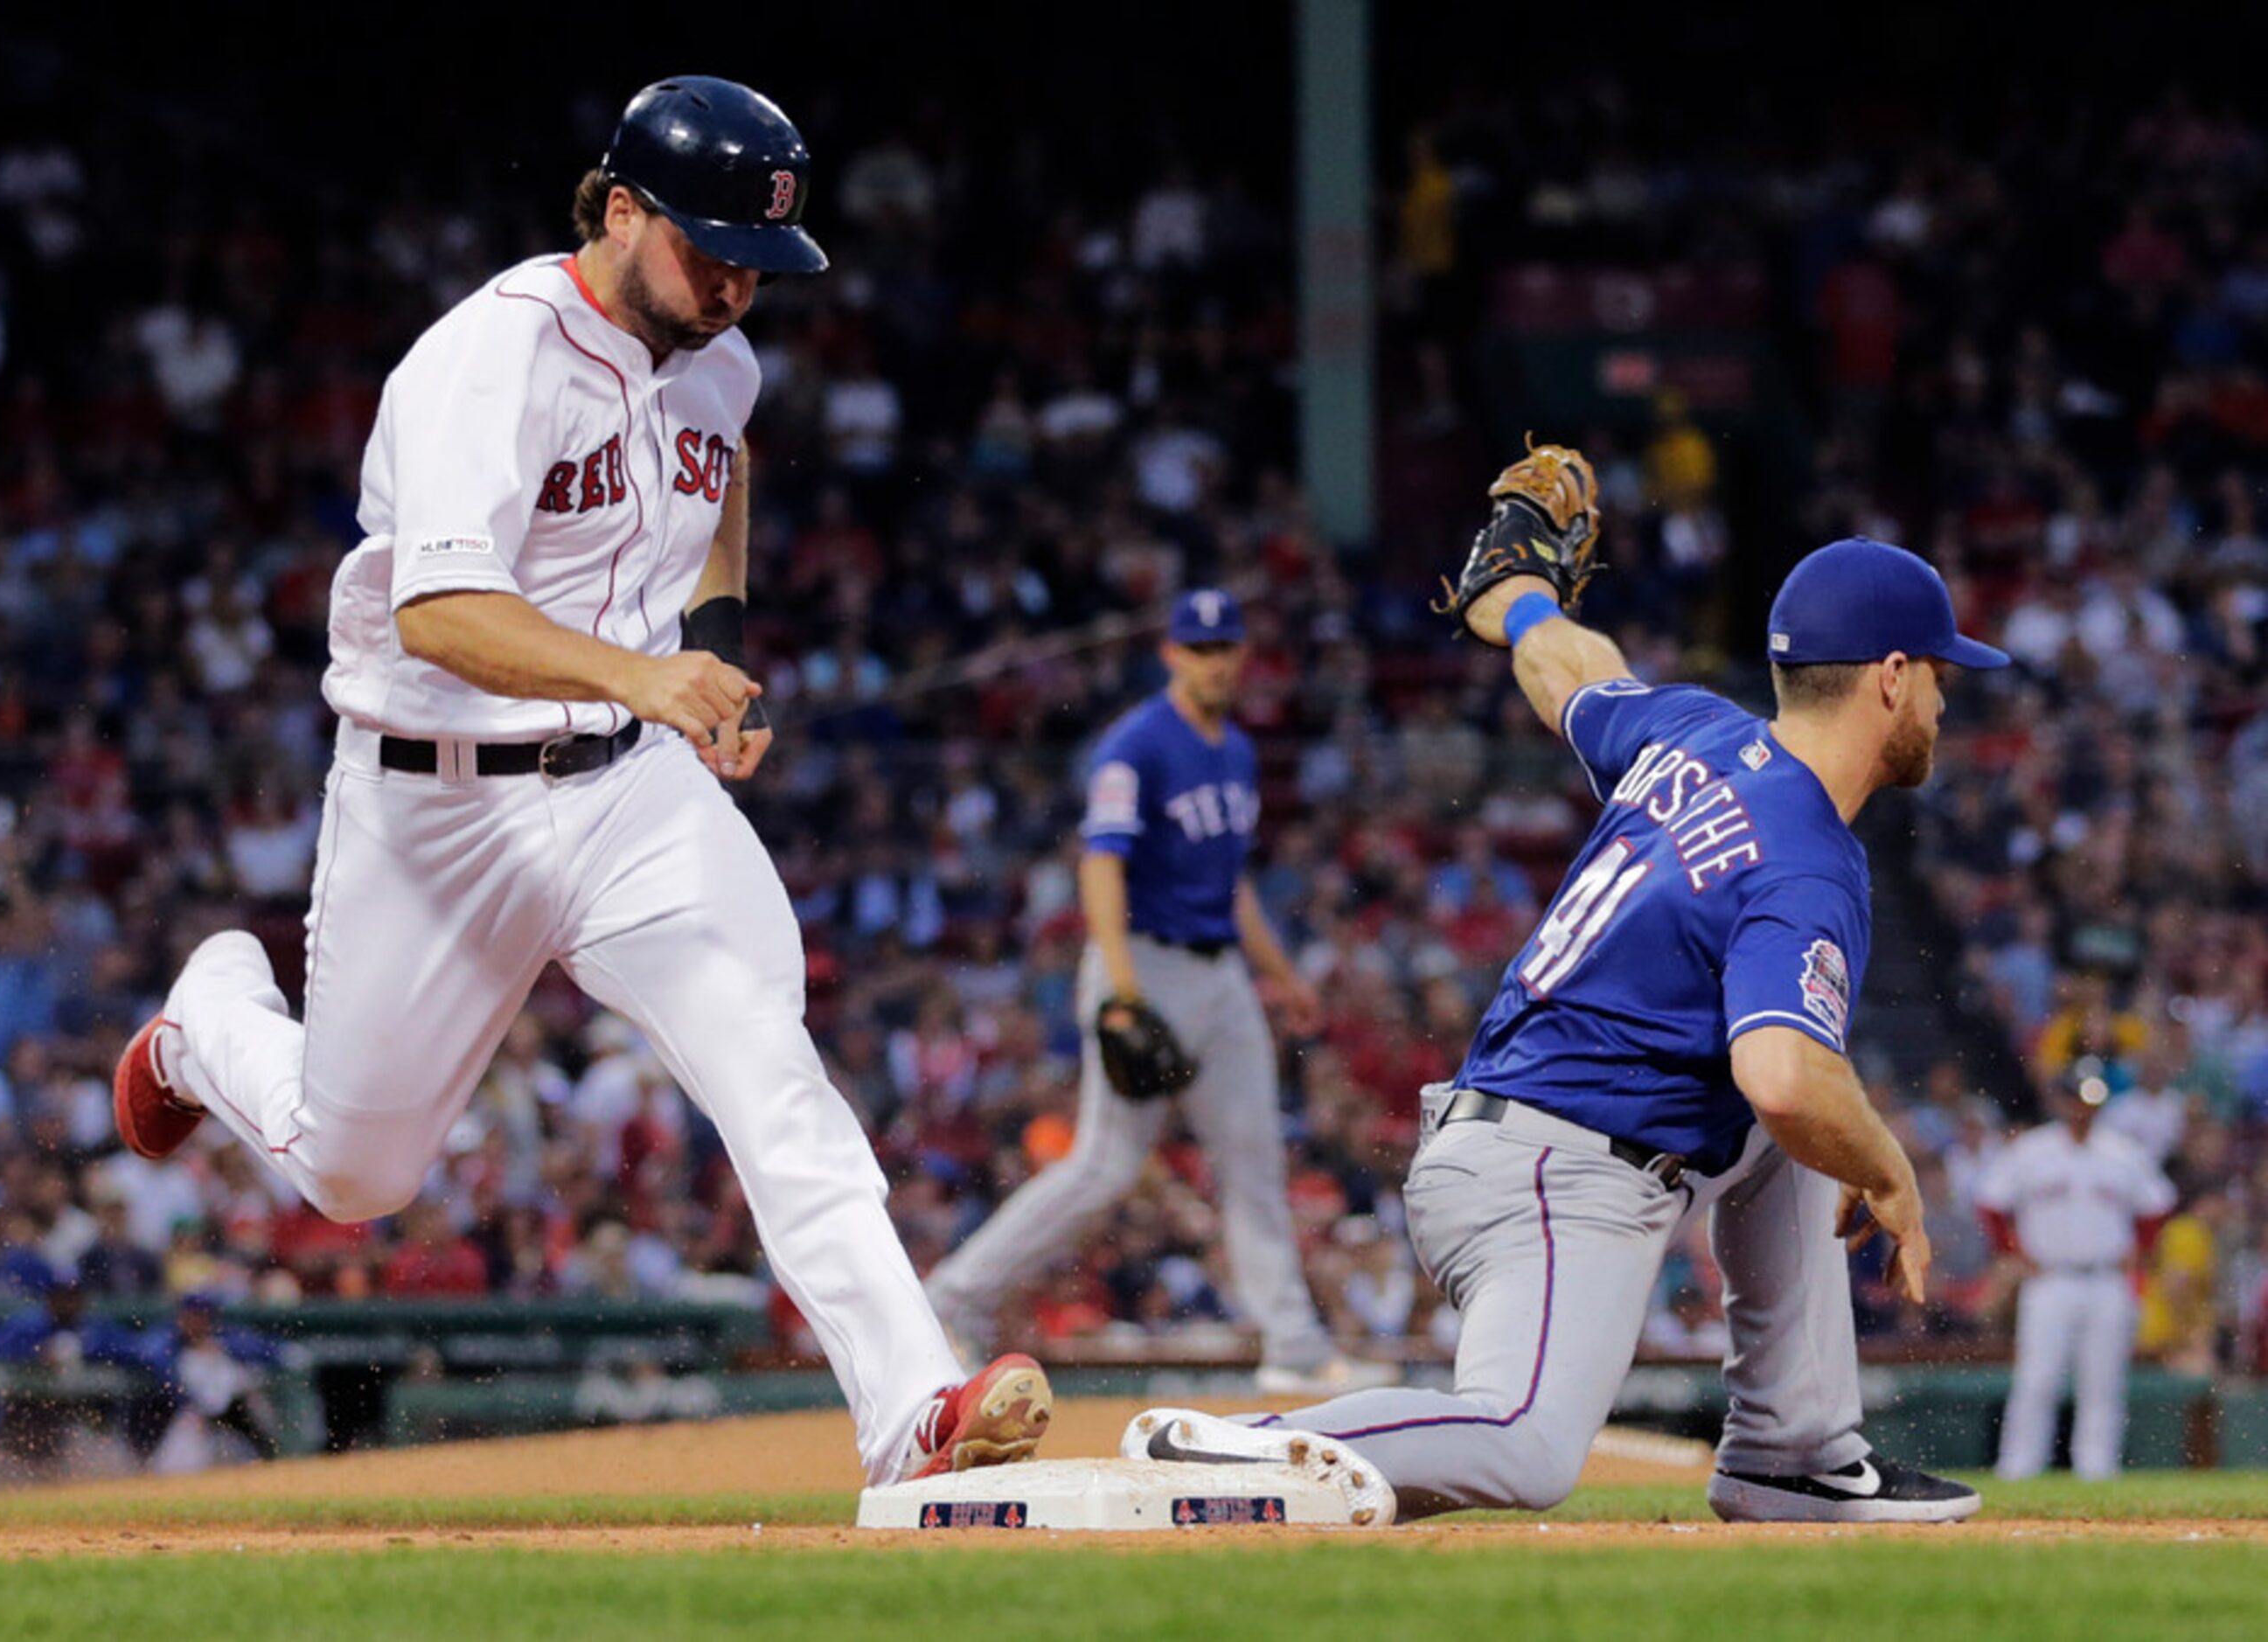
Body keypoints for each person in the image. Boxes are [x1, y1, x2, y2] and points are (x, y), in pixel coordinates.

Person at [108, 75, 1048, 1488]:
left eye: (759, 262)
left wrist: (711, 649)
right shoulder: (489, 359)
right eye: (710, 248)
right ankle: (208, 1020)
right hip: (437, 803)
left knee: (767, 1064)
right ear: (621, 208)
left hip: (628, 796)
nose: (736, 284)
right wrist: (644, 675)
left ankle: (911, 1410)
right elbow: (442, 612)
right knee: (355, 1174)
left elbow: (716, 475)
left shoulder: (721, 360)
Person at [1129, 502, 2000, 1523]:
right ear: (1890, 677)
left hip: (1531, 1139)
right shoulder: (1808, 862)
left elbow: (1566, 670)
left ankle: (1792, 1452)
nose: (1945, 700)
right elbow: (1779, 1074)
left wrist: (1525, 601)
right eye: (1939, 675)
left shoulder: (1694, 730)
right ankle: (1241, 1450)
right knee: (1526, 1447)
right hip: (1555, 1173)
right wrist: (1890, 1168)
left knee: (1808, 1122)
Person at [926, 589, 1397, 1395]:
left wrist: (1281, 978)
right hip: (1143, 962)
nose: (1215, 661)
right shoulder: (1135, 746)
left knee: (1252, 1161)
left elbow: (1230, 881)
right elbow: (1099, 862)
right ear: (1172, 653)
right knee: (1105, 1167)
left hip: (1219, 972)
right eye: (1199, 647)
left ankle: (1292, 1345)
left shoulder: (1237, 752)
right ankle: (949, 1301)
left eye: (1226, 647)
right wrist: (1118, 984)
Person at [1972, 1076, 2174, 1480]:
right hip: (2050, 1280)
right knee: (2037, 1379)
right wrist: (2014, 1253)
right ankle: (2018, 1469)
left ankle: (2097, 1470)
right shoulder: (2033, 1150)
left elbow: (2158, 1205)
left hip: (2106, 1279)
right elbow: (1991, 1203)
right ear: (2061, 1100)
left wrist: (2140, 1250)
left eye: (2090, 1101)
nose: (2082, 1109)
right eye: (2076, 1099)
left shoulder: (2123, 1152)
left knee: (2102, 1383)